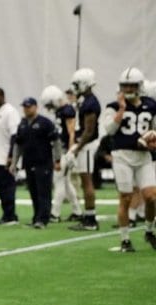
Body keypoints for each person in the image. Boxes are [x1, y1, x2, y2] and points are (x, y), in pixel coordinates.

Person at [102, 67, 156, 252]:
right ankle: (125, 239)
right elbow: (109, 130)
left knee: (151, 197)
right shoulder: (113, 106)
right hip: (122, 156)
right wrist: (123, 109)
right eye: (125, 85)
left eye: (132, 85)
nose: (128, 89)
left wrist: (151, 141)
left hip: (143, 157)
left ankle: (149, 231)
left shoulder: (151, 104)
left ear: (140, 86)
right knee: (125, 198)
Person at [11, 97, 61, 228]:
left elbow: (56, 142)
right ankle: (36, 217)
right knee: (33, 191)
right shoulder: (22, 124)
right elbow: (18, 144)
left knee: (43, 191)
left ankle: (43, 219)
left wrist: (57, 159)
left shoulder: (45, 123)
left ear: (35, 107)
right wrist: (14, 162)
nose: (26, 110)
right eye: (24, 107)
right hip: (29, 162)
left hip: (43, 162)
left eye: (28, 107)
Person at [40, 85, 83, 223]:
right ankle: (77, 211)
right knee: (65, 181)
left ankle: (55, 213)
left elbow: (71, 131)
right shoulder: (61, 110)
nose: (50, 107)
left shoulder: (67, 110)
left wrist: (71, 150)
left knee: (58, 180)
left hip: (66, 149)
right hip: (63, 148)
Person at [67, 68, 101, 231]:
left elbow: (89, 130)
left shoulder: (90, 102)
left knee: (87, 181)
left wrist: (77, 147)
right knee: (84, 179)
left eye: (76, 83)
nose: (75, 86)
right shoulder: (85, 100)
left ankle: (90, 218)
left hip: (87, 145)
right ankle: (88, 216)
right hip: (84, 144)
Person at [0, 87, 21, 225]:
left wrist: (11, 156)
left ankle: (11, 215)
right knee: (0, 187)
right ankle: (6, 214)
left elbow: (15, 135)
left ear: (2, 96)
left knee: (8, 186)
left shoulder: (10, 111)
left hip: (5, 157)